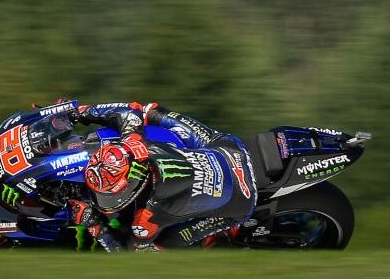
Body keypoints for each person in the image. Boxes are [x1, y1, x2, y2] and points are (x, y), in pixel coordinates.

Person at [64, 101, 258, 251]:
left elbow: (129, 253)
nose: (107, 198)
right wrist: (81, 112)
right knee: (151, 111)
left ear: (131, 185)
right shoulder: (134, 144)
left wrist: (94, 225)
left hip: (241, 201)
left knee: (156, 247)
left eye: (109, 194)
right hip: (230, 150)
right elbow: (131, 110)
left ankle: (224, 233)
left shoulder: (146, 218)